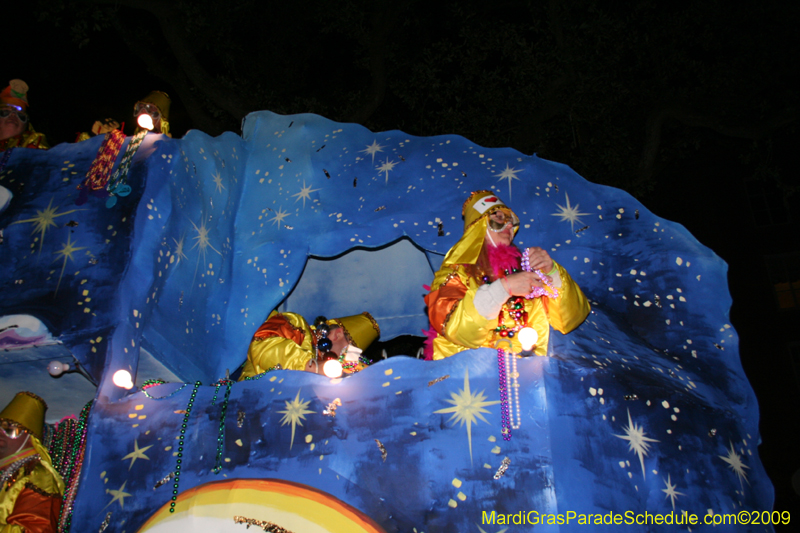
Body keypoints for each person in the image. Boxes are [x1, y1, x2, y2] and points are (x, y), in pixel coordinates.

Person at [424, 190, 590, 358]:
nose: (509, 226)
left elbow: (570, 319)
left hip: (526, 376)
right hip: (470, 378)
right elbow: (457, 330)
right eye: (499, 219)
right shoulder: (454, 275)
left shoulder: (527, 270)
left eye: (511, 221)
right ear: (478, 225)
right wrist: (503, 289)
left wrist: (552, 272)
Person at [238, 311, 380, 380]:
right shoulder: (298, 325)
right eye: (349, 353)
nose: (349, 361)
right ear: (337, 334)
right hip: (248, 405)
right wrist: (313, 366)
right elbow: (262, 344)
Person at [0, 392, 64, 533]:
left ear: (30, 438)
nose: (0, 432)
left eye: (9, 428)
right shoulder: (10, 473)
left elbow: (36, 528)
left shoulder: (38, 475)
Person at [0, 80, 48, 151]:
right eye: (6, 112)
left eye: (21, 115)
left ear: (26, 126)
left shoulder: (35, 149)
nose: (13, 115)